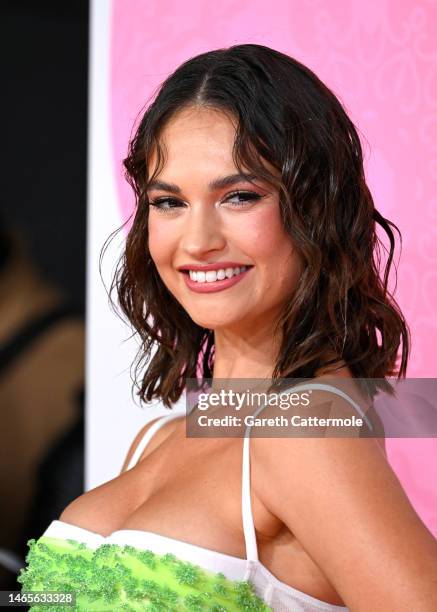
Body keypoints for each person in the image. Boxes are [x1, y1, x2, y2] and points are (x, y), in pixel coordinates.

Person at [18, 44, 437, 611]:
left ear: (316, 207)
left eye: (239, 196)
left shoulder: (305, 428)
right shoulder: (159, 439)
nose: (196, 242)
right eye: (169, 202)